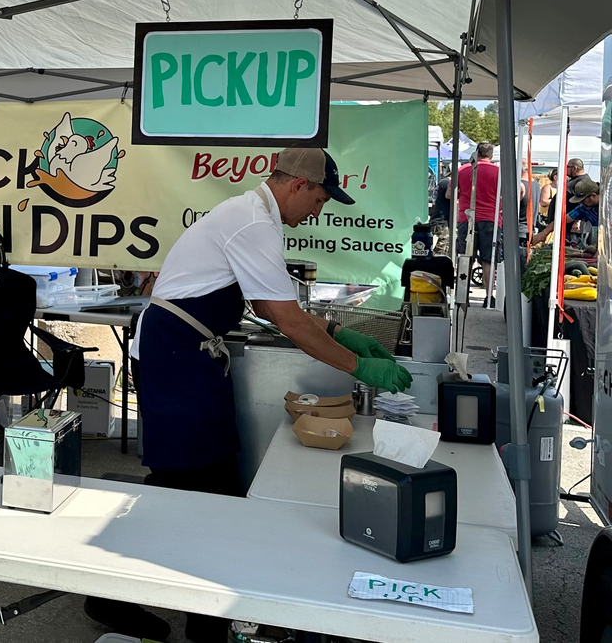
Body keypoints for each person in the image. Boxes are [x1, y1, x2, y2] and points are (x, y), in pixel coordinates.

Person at [84, 149, 411, 643]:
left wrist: (339, 332)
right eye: (320, 199)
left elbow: (265, 303)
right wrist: (358, 366)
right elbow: (288, 321)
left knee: (205, 485)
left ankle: (193, 612)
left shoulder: (255, 215)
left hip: (191, 356)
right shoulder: (254, 223)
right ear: (298, 185)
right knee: (188, 484)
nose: (318, 210)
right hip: (177, 357)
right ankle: (136, 600)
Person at [446, 142, 501, 305]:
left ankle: (462, 296)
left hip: (466, 218)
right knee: (488, 259)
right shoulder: (498, 172)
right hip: (490, 219)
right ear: (491, 155)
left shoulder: (463, 170)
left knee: (465, 258)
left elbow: (449, 194)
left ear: (476, 153)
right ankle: (489, 297)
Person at [531, 178, 599, 249]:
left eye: (583, 200)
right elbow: (562, 220)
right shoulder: (583, 208)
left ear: (593, 195)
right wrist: (544, 233)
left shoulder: (605, 207)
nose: (580, 203)